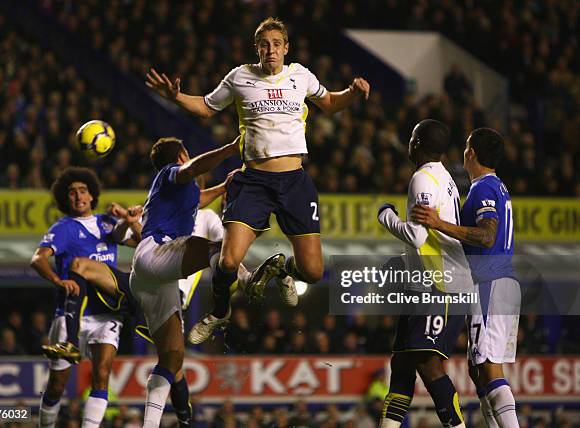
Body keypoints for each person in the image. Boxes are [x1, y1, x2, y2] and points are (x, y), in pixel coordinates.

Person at [145, 17, 370, 341]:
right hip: (253, 181)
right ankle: (220, 312)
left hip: (294, 181)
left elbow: (331, 104)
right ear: (257, 49)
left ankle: (283, 270)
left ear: (286, 48)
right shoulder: (240, 76)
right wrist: (175, 97)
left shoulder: (300, 75)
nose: (271, 50)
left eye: (277, 44)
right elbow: (207, 108)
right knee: (228, 260)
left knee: (314, 271)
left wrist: (351, 91)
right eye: (265, 45)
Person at [129, 136, 284, 428]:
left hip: (152, 279)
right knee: (217, 250)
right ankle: (243, 283)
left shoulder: (180, 195)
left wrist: (224, 187)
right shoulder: (170, 174)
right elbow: (189, 171)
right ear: (182, 155)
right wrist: (228, 150)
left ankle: (149, 424)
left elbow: (198, 199)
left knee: (172, 358)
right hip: (155, 255)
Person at [411, 128, 519, 427]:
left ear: (471, 153)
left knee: (488, 368)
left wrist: (438, 223)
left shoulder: (484, 188)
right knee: (477, 368)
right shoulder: (496, 186)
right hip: (500, 282)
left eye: (467, 146)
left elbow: (486, 236)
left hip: (490, 282)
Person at [377, 119, 473, 428]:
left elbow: (417, 236)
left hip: (441, 286)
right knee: (402, 362)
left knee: (428, 363)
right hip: (426, 286)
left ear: (416, 144)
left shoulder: (422, 179)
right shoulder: (444, 176)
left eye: (411, 137)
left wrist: (386, 215)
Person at [30, 167, 143, 428]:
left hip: (106, 312)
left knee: (102, 375)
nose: (78, 196)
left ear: (92, 195)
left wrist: (128, 217)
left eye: (83, 190)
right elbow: (37, 259)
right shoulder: (63, 228)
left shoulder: (107, 222)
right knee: (57, 385)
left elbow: (140, 242)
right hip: (71, 314)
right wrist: (58, 280)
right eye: (72, 192)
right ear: (65, 199)